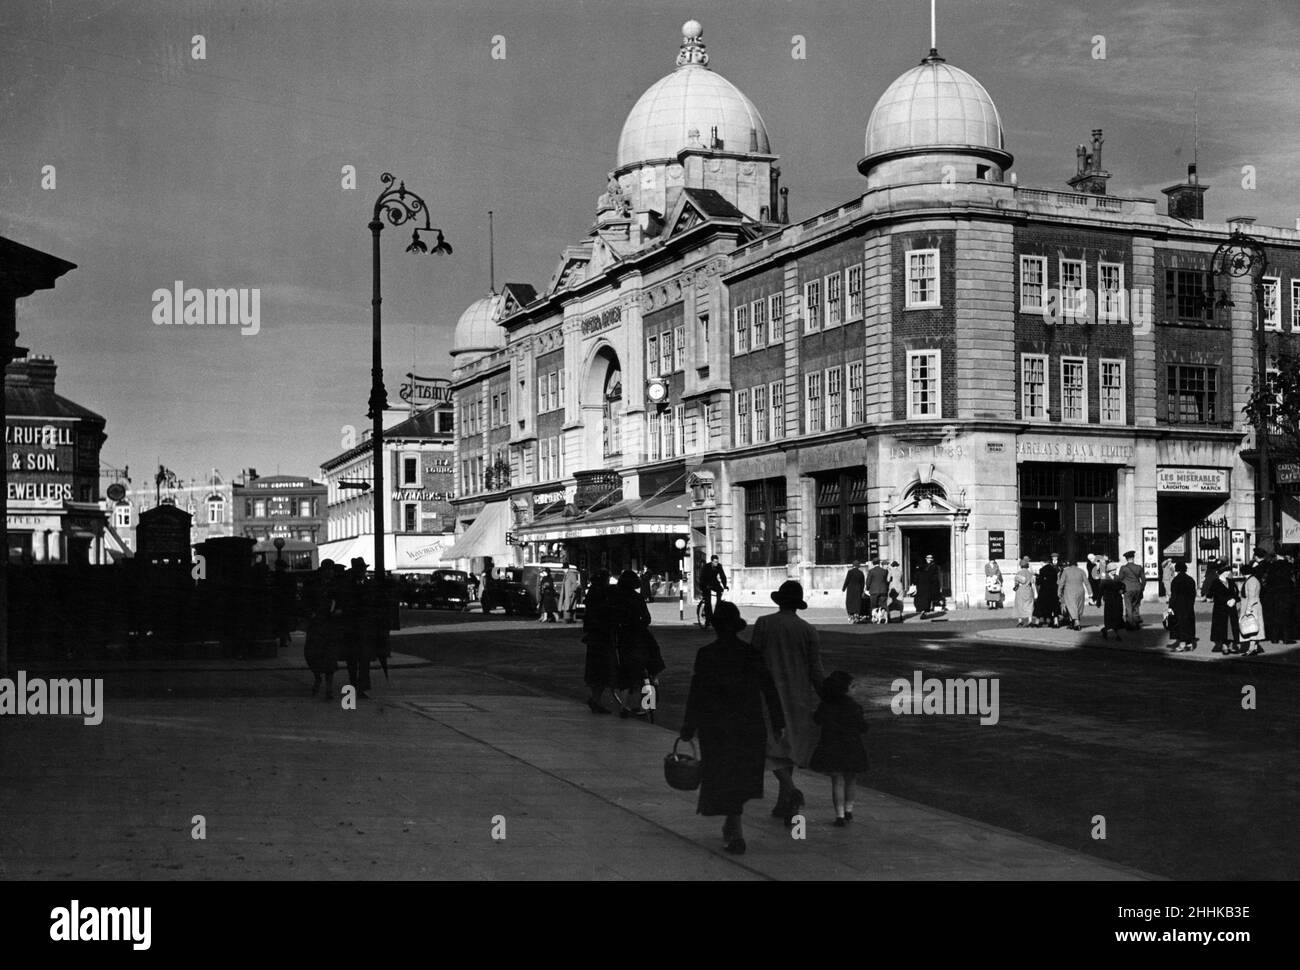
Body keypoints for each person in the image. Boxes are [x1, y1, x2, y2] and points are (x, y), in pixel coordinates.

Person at [679, 600, 786, 855]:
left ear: (716, 628)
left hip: (715, 726)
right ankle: (734, 823)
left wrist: (688, 725)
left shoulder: (706, 654)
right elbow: (769, 688)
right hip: (748, 724)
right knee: (742, 775)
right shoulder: (750, 653)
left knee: (723, 773)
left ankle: (733, 824)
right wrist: (778, 721)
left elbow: (697, 692)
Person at [752, 580, 826, 826]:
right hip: (799, 695)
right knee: (790, 746)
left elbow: (754, 659)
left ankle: (790, 791)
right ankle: (784, 802)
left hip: (769, 694)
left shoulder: (764, 624)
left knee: (771, 747)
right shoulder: (808, 630)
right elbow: (816, 669)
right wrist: (826, 696)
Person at [809, 670, 869, 827]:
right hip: (852, 747)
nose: (856, 689)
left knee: (836, 781)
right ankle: (849, 809)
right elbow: (862, 727)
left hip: (831, 747)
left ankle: (839, 815)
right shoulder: (855, 707)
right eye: (853, 686)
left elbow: (817, 720)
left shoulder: (826, 705)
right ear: (845, 689)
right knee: (851, 778)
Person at [610, 570, 664, 717]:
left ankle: (624, 705)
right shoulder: (637, 597)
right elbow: (647, 618)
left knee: (627, 672)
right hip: (640, 636)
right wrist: (639, 626)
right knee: (649, 667)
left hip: (624, 639)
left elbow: (613, 620)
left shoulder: (616, 599)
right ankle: (649, 704)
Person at [303, 560, 340, 699]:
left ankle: (328, 688)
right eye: (328, 570)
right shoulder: (313, 585)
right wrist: (310, 613)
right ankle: (318, 677)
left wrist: (338, 610)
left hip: (329, 625)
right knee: (311, 654)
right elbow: (306, 602)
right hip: (316, 623)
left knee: (329, 657)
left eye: (331, 570)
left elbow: (341, 601)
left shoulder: (336, 586)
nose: (330, 572)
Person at [581, 569, 615, 713]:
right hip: (602, 636)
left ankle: (596, 698)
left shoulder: (592, 594)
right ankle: (596, 699)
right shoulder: (602, 595)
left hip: (593, 636)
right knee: (602, 669)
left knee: (595, 670)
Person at [1207, 563, 1240, 654]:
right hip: (1220, 609)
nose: (1229, 572)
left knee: (1231, 627)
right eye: (1227, 571)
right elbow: (1211, 595)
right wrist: (1226, 601)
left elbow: (1236, 593)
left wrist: (1234, 599)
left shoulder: (1231, 581)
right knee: (1222, 627)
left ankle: (1231, 645)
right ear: (1222, 572)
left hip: (1231, 608)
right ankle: (1224, 645)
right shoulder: (1215, 582)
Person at [1167, 560, 1198, 652]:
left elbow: (1174, 596)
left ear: (1177, 569)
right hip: (1189, 605)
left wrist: (1170, 607)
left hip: (1178, 606)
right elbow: (1194, 594)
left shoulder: (1176, 581)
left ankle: (1182, 644)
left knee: (1180, 625)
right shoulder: (1191, 580)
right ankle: (1189, 644)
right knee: (1188, 623)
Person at [1237, 563, 1266, 656]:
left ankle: (1251, 649)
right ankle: (1255, 648)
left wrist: (1248, 610)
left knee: (1251, 627)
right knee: (1254, 627)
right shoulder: (1252, 580)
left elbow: (1252, 596)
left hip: (1252, 607)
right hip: (1254, 606)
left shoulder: (1251, 581)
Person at [271, 558, 296, 650]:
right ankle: (283, 640)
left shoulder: (273, 576)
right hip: (285, 602)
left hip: (275, 602)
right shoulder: (288, 577)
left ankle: (277, 638)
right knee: (284, 623)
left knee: (276, 621)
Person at [1117, 550, 1146, 630]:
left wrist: (1121, 589)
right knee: (1136, 606)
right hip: (1137, 589)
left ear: (1126, 559)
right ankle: (1136, 623)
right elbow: (1143, 580)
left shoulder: (1123, 568)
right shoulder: (1139, 567)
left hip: (1128, 589)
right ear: (1133, 557)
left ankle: (1130, 624)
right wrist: (1141, 589)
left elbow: (1120, 579)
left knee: (1128, 607)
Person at [1057, 559, 1089, 630]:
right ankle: (1075, 621)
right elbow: (1086, 582)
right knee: (1079, 606)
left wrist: (1059, 592)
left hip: (1069, 591)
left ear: (1069, 565)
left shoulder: (1066, 571)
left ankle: (1076, 622)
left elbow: (1061, 583)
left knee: (1072, 606)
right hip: (1080, 591)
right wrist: (1090, 592)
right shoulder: (1081, 571)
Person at [698, 555, 728, 628]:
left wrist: (724, 585)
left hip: (714, 583)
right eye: (715, 562)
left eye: (717, 561)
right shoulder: (706, 566)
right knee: (708, 601)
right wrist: (704, 586)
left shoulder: (719, 566)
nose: (716, 563)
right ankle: (708, 619)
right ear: (712, 561)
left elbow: (723, 576)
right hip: (705, 583)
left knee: (719, 596)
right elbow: (702, 577)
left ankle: (717, 613)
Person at [1099, 566, 1126, 640]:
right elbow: (1101, 589)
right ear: (1109, 570)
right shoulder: (1104, 578)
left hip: (1117, 600)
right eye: (1113, 570)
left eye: (1115, 569)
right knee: (1109, 617)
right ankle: (1106, 630)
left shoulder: (1117, 577)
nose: (1115, 571)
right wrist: (1098, 600)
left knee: (1117, 617)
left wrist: (1122, 590)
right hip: (1109, 600)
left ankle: (1117, 635)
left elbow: (1123, 586)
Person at [1033, 554, 1061, 628]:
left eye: (1041, 562)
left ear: (1043, 562)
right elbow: (1055, 579)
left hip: (1044, 590)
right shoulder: (1054, 569)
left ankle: (1037, 622)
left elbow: (1039, 582)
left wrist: (1037, 577)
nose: (1040, 563)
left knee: (1040, 606)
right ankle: (1056, 622)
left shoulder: (1042, 570)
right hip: (1053, 589)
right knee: (1054, 606)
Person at [1013, 556, 1036, 627]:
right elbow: (1032, 582)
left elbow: (1016, 583)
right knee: (1029, 605)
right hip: (1028, 590)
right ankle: (1030, 620)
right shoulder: (1030, 573)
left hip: (1020, 591)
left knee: (1019, 606)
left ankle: (1020, 621)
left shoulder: (1018, 573)